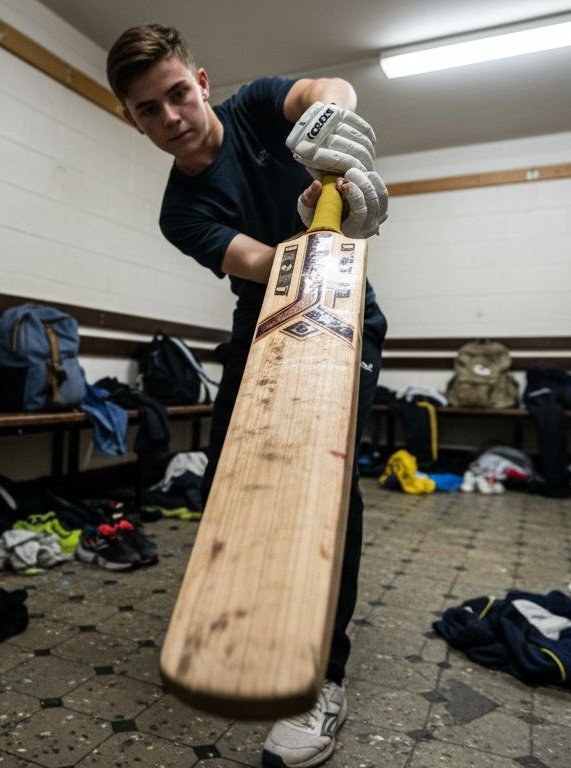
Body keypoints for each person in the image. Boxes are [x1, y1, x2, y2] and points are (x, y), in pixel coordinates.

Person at [107, 24, 388, 768]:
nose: (171, 117)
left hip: (342, 310)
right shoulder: (180, 213)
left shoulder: (263, 106)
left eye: (176, 94)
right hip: (268, 312)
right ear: (132, 120)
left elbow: (330, 91)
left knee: (327, 481)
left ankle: (323, 677)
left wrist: (331, 131)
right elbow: (264, 264)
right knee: (238, 475)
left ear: (200, 81)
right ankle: (258, 614)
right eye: (148, 110)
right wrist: (315, 230)